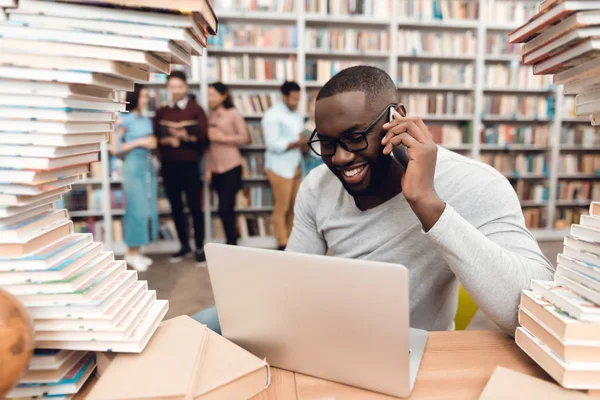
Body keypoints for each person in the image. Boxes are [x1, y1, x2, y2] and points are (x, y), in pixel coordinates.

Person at [193, 66, 554, 336]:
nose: (339, 158)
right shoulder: (317, 186)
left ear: (397, 118)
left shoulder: (473, 183)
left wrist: (428, 203)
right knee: (202, 326)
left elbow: (532, 314)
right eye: (328, 143)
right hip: (332, 333)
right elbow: (293, 284)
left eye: (354, 138)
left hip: (412, 348)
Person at [154, 70, 209, 264]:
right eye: (172, 87)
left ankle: (200, 247)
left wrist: (186, 137)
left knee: (195, 207)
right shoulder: (162, 111)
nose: (176, 90)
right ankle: (184, 245)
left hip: (190, 165)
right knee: (176, 207)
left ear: (185, 87)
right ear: (167, 88)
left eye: (179, 86)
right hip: (169, 165)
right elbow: (156, 138)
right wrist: (168, 140)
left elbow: (204, 138)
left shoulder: (196, 109)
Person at [110, 84, 158, 272]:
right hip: (132, 166)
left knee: (146, 208)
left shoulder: (145, 119)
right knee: (136, 210)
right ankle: (130, 253)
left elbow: (150, 140)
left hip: (147, 166)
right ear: (135, 96)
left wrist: (152, 142)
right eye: (144, 96)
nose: (146, 100)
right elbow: (115, 149)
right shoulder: (123, 119)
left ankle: (136, 251)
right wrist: (140, 142)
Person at [261, 81, 307, 250]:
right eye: (294, 99)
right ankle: (282, 243)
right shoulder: (272, 115)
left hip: (296, 165)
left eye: (298, 99)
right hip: (279, 167)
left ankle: (292, 242)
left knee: (297, 207)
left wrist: (304, 142)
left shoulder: (297, 115)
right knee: (282, 207)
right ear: (284, 96)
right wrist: (296, 142)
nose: (296, 102)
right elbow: (273, 144)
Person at [205, 82, 250, 245]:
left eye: (213, 94)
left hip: (231, 166)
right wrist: (208, 168)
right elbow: (208, 147)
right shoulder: (209, 115)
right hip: (215, 168)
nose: (210, 98)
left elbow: (245, 138)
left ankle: (232, 243)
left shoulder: (233, 114)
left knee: (225, 208)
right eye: (208, 94)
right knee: (223, 209)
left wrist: (223, 138)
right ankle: (230, 241)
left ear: (223, 95)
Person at [301, 94, 323, 177]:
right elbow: (304, 150)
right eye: (314, 105)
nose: (316, 109)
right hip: (311, 162)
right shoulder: (305, 126)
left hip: (326, 162)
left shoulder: (329, 125)